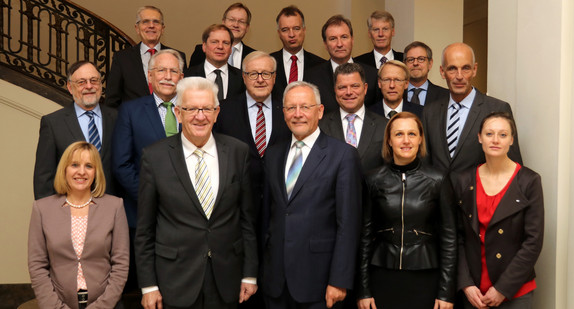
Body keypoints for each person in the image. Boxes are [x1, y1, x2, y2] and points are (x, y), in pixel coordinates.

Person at [135, 77, 258, 309]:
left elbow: (247, 220)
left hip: (227, 278)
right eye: (192, 109)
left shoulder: (237, 152)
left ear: (216, 112)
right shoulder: (155, 157)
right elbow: (145, 229)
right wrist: (148, 285)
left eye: (206, 109)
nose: (200, 116)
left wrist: (249, 274)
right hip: (175, 279)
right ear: (179, 113)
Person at [263, 81, 362, 309]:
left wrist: (339, 280)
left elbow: (348, 224)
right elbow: (268, 217)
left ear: (319, 111)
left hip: (319, 281)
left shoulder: (343, 155)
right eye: (291, 108)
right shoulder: (273, 154)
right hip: (275, 283)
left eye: (305, 107)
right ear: (284, 112)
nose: (298, 114)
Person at [358, 112, 457, 309]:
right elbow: (364, 237)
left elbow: (449, 238)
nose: (406, 140)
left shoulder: (438, 179)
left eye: (412, 134)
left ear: (421, 139)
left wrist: (446, 292)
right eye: (399, 134)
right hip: (382, 275)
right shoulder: (373, 180)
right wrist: (363, 289)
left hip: (425, 275)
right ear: (389, 140)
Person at [452, 112, 544, 309]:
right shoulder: (464, 180)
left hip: (515, 290)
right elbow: (457, 238)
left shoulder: (529, 181)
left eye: (503, 135)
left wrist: (503, 288)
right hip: (474, 292)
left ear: (512, 140)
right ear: (479, 137)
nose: (495, 140)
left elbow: (533, 242)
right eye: (489, 134)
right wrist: (466, 283)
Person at [112, 49, 184, 293]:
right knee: (145, 289)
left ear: (181, 77)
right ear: (150, 76)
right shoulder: (131, 111)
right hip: (143, 214)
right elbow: (121, 164)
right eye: (161, 70)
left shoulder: (193, 110)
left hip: (186, 217)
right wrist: (149, 198)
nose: (167, 76)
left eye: (173, 71)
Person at [28, 141, 129, 309]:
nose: (81, 172)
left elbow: (121, 264)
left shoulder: (115, 206)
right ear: (65, 169)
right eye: (74, 165)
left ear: (96, 172)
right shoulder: (42, 208)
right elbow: (37, 265)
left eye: (89, 166)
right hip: (57, 304)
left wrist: (102, 306)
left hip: (107, 305)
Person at [422, 43, 522, 175]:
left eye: (466, 68)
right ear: (442, 71)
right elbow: (424, 163)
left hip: (478, 193)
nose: (459, 76)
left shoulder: (497, 109)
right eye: (452, 69)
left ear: (474, 70)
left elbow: (512, 164)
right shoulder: (430, 112)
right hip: (438, 195)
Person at [34, 60, 117, 200]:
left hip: (111, 209)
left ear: (101, 84)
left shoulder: (118, 118)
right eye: (81, 82)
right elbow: (44, 177)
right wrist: (50, 216)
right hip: (68, 210)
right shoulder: (53, 123)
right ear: (70, 87)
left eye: (94, 80)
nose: (89, 86)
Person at [105, 6, 187, 108]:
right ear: (137, 28)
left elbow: (184, 96)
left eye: (156, 22)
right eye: (145, 22)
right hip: (133, 121)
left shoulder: (177, 57)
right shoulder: (122, 58)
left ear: (162, 29)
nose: (151, 26)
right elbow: (112, 100)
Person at [304, 15, 380, 114]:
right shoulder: (312, 77)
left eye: (344, 37)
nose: (339, 44)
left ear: (352, 40)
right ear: (325, 44)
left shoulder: (372, 75)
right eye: (333, 39)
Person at [319, 63, 387, 172]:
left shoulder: (385, 126)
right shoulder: (320, 126)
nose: (349, 92)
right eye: (342, 87)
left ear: (365, 88)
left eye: (355, 86)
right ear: (335, 90)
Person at [270, 5, 325, 97]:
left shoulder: (320, 64)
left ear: (304, 30)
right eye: (285, 30)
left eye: (296, 28)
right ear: (279, 34)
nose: (291, 34)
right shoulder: (269, 63)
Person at [184, 24, 245, 100]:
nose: (220, 46)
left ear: (230, 49)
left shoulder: (242, 78)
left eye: (225, 43)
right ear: (204, 47)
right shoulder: (187, 76)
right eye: (214, 42)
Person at [189, 3, 256, 70]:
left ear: (247, 27)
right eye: (232, 20)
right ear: (223, 22)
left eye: (241, 21)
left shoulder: (253, 56)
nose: (236, 25)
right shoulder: (201, 51)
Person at [402, 41, 449, 106]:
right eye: (411, 59)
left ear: (430, 63)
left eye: (421, 59)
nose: (415, 63)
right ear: (404, 64)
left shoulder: (446, 96)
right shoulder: (396, 93)